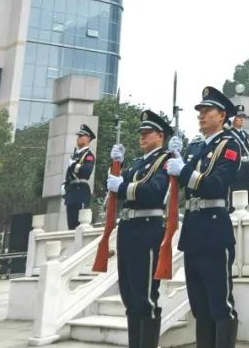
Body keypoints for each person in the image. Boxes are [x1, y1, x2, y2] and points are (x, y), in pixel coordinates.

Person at [167, 88, 239, 348]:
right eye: (199, 111)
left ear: (221, 116)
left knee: (220, 304)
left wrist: (184, 169)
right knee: (200, 307)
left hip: (214, 228)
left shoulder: (230, 145)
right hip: (194, 229)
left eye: (207, 111)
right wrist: (173, 158)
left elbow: (215, 185)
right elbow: (179, 184)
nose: (201, 115)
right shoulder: (197, 147)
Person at [110, 110, 171, 348]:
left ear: (160, 135)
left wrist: (123, 186)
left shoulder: (165, 160)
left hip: (147, 230)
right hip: (128, 230)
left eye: (147, 133)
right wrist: (116, 168)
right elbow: (116, 187)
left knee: (145, 297)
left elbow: (155, 191)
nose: (142, 137)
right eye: (141, 133)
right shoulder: (137, 163)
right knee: (130, 297)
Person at [63, 124, 97, 230]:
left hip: (81, 191)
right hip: (72, 191)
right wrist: (65, 185)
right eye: (78, 136)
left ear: (87, 138)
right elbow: (69, 175)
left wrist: (73, 165)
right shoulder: (75, 155)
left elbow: (86, 172)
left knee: (80, 224)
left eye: (81, 136)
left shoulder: (88, 155)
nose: (78, 138)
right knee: (71, 225)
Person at [228, 108, 249, 202]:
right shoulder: (229, 135)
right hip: (235, 172)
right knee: (235, 202)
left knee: (246, 199)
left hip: (246, 172)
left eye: (243, 117)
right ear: (233, 118)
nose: (242, 119)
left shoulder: (247, 136)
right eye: (239, 117)